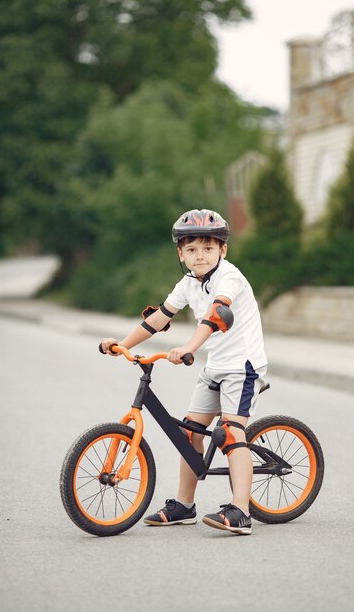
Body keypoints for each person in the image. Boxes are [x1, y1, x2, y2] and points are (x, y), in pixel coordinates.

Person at [100, 209, 267, 535]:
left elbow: (217, 313)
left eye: (208, 248)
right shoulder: (189, 283)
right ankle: (184, 505)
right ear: (181, 253)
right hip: (215, 366)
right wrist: (122, 344)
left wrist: (190, 346)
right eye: (192, 250)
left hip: (243, 368)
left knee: (232, 434)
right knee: (190, 433)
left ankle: (242, 511)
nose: (200, 256)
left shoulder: (229, 278)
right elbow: (159, 317)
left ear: (223, 250)